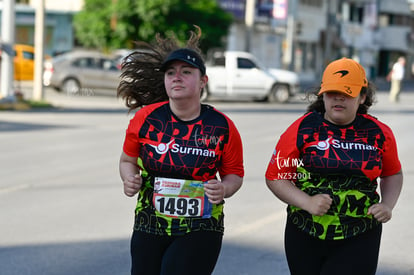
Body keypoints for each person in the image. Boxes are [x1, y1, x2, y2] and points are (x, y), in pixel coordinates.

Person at [117, 27, 244, 275]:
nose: (177, 77)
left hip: (201, 225)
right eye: (171, 73)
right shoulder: (146, 118)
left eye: (186, 72)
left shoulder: (222, 126)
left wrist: (224, 188)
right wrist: (128, 179)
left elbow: (235, 174)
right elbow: (126, 160)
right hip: (149, 222)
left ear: (202, 81)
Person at [265, 57, 403, 275]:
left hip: (359, 234)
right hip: (305, 232)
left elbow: (393, 173)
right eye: (332, 92)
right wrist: (307, 202)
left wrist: (387, 205)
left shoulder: (379, 133)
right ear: (323, 94)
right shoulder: (302, 128)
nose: (339, 98)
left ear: (362, 97)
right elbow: (276, 176)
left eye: (348, 93)